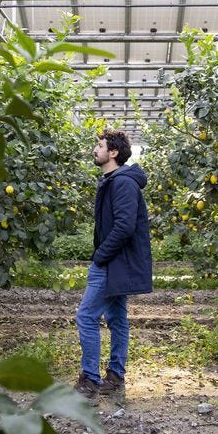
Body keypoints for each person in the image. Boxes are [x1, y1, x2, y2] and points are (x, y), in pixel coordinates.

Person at [75, 129, 153, 399]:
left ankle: (90, 380)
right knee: (117, 318)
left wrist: (100, 256)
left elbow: (124, 226)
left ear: (113, 153)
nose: (95, 150)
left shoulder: (122, 183)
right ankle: (115, 376)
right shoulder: (114, 180)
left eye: (100, 145)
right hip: (115, 262)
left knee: (86, 316)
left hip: (110, 263)